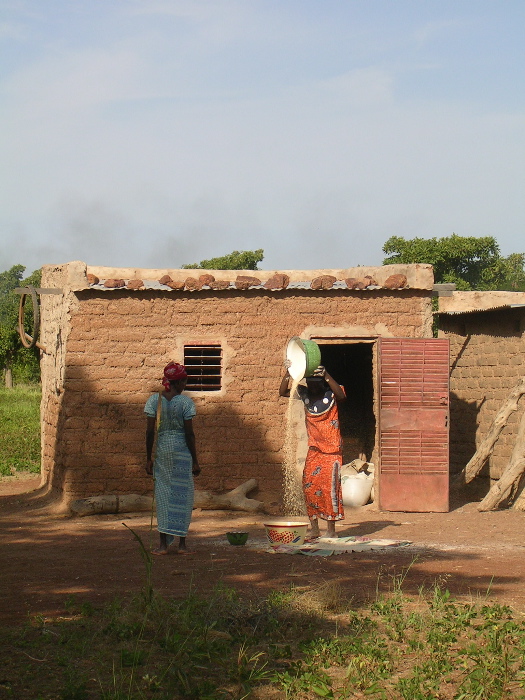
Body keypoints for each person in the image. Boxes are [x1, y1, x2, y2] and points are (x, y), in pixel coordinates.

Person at [279, 364, 345, 539]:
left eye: (316, 383)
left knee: (329, 489)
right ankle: (314, 528)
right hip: (314, 450)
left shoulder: (331, 394)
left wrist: (327, 375)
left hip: (331, 452)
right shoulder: (305, 395)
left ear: (322, 383)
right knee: (309, 486)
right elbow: (283, 392)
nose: (312, 386)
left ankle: (331, 531)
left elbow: (341, 395)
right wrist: (289, 373)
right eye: (309, 383)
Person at [145, 362, 201, 555]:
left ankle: (162, 544)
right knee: (182, 496)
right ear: (178, 382)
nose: (185, 385)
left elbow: (149, 432)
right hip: (182, 455)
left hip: (163, 455)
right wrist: (195, 460)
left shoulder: (154, 401)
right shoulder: (185, 403)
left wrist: (148, 458)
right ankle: (182, 544)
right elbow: (189, 434)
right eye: (184, 381)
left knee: (162, 497)